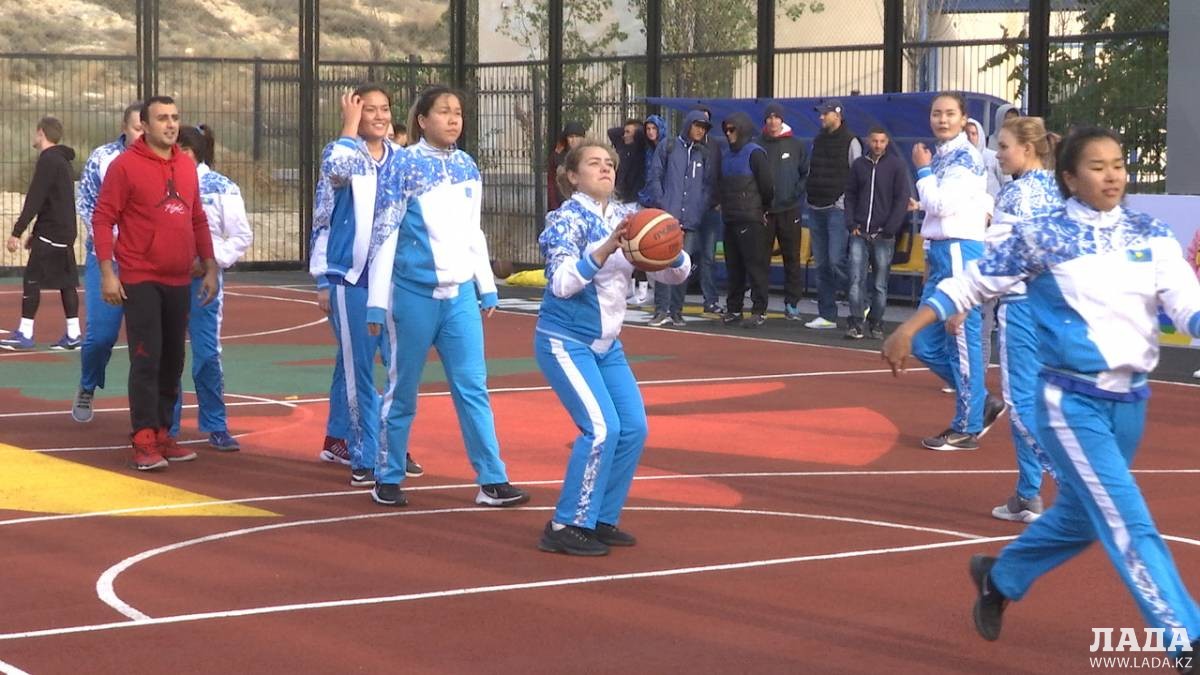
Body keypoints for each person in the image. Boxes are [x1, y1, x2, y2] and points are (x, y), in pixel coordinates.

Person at [882, 126, 1200, 670]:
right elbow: (971, 283)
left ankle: (1001, 578)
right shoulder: (1044, 236)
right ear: (1070, 178)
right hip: (1071, 404)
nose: (1112, 176)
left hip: (1130, 403)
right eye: (1097, 167)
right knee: (1127, 520)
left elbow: (1188, 306)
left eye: (1118, 164)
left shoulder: (1151, 233)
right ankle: (1184, 639)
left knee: (1080, 517)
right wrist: (910, 328)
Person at [369, 85, 529, 508]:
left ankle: (492, 479)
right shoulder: (402, 165)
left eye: (458, 111)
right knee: (403, 389)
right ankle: (388, 475)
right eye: (443, 111)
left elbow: (473, 230)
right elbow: (384, 234)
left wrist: (487, 286)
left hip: (460, 299)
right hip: (412, 296)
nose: (453, 118)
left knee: (473, 387)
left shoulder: (467, 166)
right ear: (422, 120)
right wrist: (376, 302)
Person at [535, 140, 690, 555]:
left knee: (634, 428)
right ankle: (565, 524)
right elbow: (561, 284)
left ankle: (600, 517)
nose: (605, 168)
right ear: (572, 176)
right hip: (565, 340)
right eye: (593, 163)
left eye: (609, 163)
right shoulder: (564, 220)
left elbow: (676, 275)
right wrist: (605, 250)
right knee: (602, 429)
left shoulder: (630, 217)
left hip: (607, 345)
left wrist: (672, 251)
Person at [90, 96, 219, 471]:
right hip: (140, 276)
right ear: (144, 126)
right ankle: (144, 438)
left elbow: (197, 219)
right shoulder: (125, 166)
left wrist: (210, 266)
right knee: (147, 358)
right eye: (162, 118)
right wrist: (107, 272)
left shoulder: (186, 165)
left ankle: (163, 433)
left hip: (179, 278)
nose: (171, 124)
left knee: (173, 360)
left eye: (175, 117)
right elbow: (103, 218)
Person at [309, 85, 421, 486]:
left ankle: (390, 444)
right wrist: (322, 279)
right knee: (358, 367)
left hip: (394, 278)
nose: (378, 115)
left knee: (396, 366)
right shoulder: (343, 153)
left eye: (384, 108)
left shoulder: (401, 159)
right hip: (350, 278)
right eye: (368, 109)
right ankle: (363, 451)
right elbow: (325, 205)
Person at [908, 92, 1006, 451]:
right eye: (937, 113)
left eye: (950, 113)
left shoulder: (964, 156)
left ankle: (966, 426)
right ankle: (981, 402)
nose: (942, 119)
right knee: (922, 342)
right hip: (941, 253)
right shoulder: (943, 156)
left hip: (959, 252)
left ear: (964, 119)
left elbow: (941, 204)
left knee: (961, 340)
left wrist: (921, 169)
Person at [979, 116, 1062, 523]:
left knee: (1020, 401)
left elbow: (995, 260)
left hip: (1022, 306)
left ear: (1027, 149)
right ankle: (1028, 493)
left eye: (1004, 146)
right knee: (1045, 400)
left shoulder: (1014, 195)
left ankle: (1072, 485)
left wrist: (962, 298)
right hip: (1058, 308)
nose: (998, 154)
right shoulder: (1062, 190)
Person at [166, 124, 253, 452]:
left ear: (196, 151)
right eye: (174, 149)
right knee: (168, 353)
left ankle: (216, 424)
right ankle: (167, 426)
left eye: (184, 149)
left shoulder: (220, 186)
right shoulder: (162, 182)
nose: (178, 155)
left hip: (204, 284)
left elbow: (241, 235)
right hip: (166, 279)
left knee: (206, 353)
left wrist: (210, 262)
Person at [70, 103, 143, 422]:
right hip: (108, 258)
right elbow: (87, 204)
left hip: (147, 260)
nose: (142, 134)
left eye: (146, 128)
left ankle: (153, 413)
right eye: (137, 128)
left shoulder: (164, 160)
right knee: (101, 335)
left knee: (152, 339)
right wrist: (109, 240)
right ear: (124, 128)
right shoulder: (103, 158)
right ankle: (88, 386)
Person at [1, 116, 79, 351]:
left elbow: (36, 198)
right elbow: (55, 201)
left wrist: (17, 232)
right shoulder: (63, 162)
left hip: (52, 231)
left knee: (31, 280)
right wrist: (35, 232)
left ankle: (25, 333)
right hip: (65, 232)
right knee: (66, 283)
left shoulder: (48, 160)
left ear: (41, 133)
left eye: (36, 133)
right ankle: (74, 334)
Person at [641, 110, 716, 327]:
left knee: (683, 267)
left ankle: (676, 311)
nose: (701, 130)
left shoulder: (703, 154)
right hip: (667, 216)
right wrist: (662, 202)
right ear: (688, 124)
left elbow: (707, 186)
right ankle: (661, 309)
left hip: (690, 220)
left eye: (704, 127)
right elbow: (655, 175)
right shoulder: (669, 146)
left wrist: (698, 209)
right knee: (662, 263)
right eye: (697, 125)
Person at [843, 127, 910, 340]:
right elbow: (850, 195)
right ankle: (856, 322)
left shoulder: (896, 166)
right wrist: (851, 223)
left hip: (884, 235)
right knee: (855, 280)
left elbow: (902, 198)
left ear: (887, 142)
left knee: (880, 284)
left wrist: (891, 228)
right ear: (868, 141)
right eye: (874, 141)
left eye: (882, 141)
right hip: (859, 232)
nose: (878, 145)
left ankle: (876, 322)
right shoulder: (859, 165)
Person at [805, 99, 861, 329]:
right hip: (816, 207)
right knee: (822, 265)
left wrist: (844, 202)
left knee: (836, 260)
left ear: (837, 115)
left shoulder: (851, 141)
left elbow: (858, 175)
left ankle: (861, 302)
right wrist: (809, 196)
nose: (821, 117)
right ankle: (827, 314)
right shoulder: (818, 140)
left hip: (837, 209)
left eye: (825, 113)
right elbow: (812, 169)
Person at [717, 112, 774, 328]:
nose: (728, 133)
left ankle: (759, 310)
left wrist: (763, 209)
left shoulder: (755, 153)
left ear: (743, 130)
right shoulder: (726, 156)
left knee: (755, 266)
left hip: (751, 218)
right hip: (730, 218)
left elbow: (767, 186)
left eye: (732, 129)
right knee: (734, 267)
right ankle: (734, 309)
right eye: (726, 130)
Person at [759, 102, 809, 321]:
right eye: (769, 118)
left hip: (790, 211)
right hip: (764, 212)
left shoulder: (796, 145)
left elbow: (805, 174)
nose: (773, 121)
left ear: (782, 120)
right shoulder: (757, 145)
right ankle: (760, 305)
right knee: (760, 260)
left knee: (792, 258)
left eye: (776, 117)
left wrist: (793, 195)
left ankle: (792, 304)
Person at [627, 113, 668, 306]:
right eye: (648, 129)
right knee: (639, 243)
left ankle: (657, 290)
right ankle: (643, 288)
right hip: (645, 198)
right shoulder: (645, 149)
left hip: (661, 202)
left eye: (654, 129)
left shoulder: (667, 148)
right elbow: (615, 133)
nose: (651, 132)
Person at [607, 118, 647, 205]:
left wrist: (638, 130)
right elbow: (611, 132)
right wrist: (628, 128)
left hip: (633, 197)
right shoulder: (622, 146)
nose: (624, 135)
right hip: (619, 194)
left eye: (628, 132)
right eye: (624, 132)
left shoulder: (641, 150)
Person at [548, 121, 585, 212]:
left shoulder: (588, 154)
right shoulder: (557, 156)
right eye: (571, 137)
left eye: (577, 136)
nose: (574, 140)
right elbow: (551, 182)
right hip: (561, 202)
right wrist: (554, 205)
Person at [967, 117, 1007, 199]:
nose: (970, 138)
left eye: (974, 134)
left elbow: (1007, 182)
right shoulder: (959, 160)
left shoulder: (993, 157)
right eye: (967, 134)